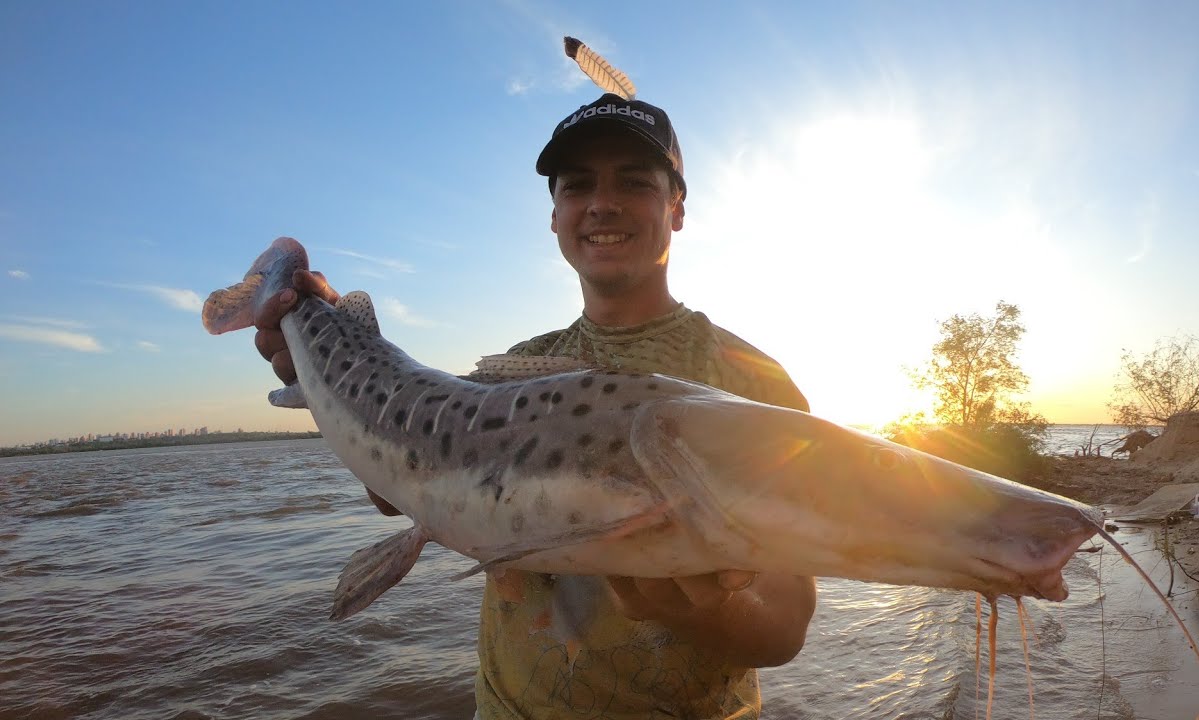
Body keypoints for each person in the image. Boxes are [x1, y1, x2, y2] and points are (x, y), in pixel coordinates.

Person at [253, 93, 817, 719]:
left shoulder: (755, 385)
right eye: (577, 186)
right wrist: (339, 367)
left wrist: (701, 605)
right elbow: (404, 488)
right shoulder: (510, 367)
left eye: (634, 181)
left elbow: (786, 627)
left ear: (677, 207)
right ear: (554, 217)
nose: (603, 203)